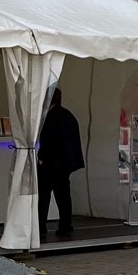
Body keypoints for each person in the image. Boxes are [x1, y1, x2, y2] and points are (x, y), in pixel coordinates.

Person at [37, 89, 85, 241]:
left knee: (43, 197)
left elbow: (49, 142)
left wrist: (41, 157)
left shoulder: (50, 117)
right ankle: (65, 226)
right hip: (65, 165)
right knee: (64, 198)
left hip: (50, 164)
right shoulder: (68, 115)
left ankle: (40, 227)